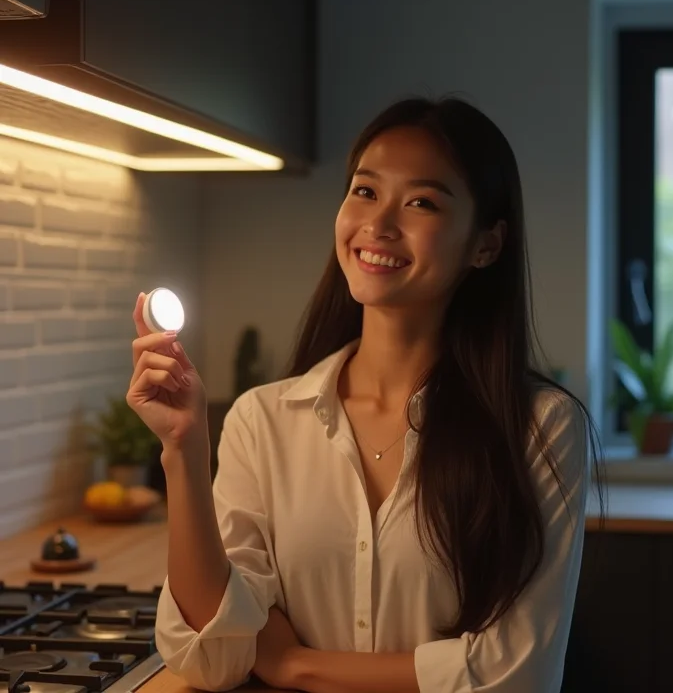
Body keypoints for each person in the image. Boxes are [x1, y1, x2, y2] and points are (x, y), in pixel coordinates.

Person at [127, 96, 603, 693]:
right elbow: (214, 656)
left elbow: (519, 674)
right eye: (365, 191)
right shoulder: (262, 420)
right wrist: (183, 451)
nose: (378, 224)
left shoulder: (539, 427)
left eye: (422, 202)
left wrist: (294, 663)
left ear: (485, 244)